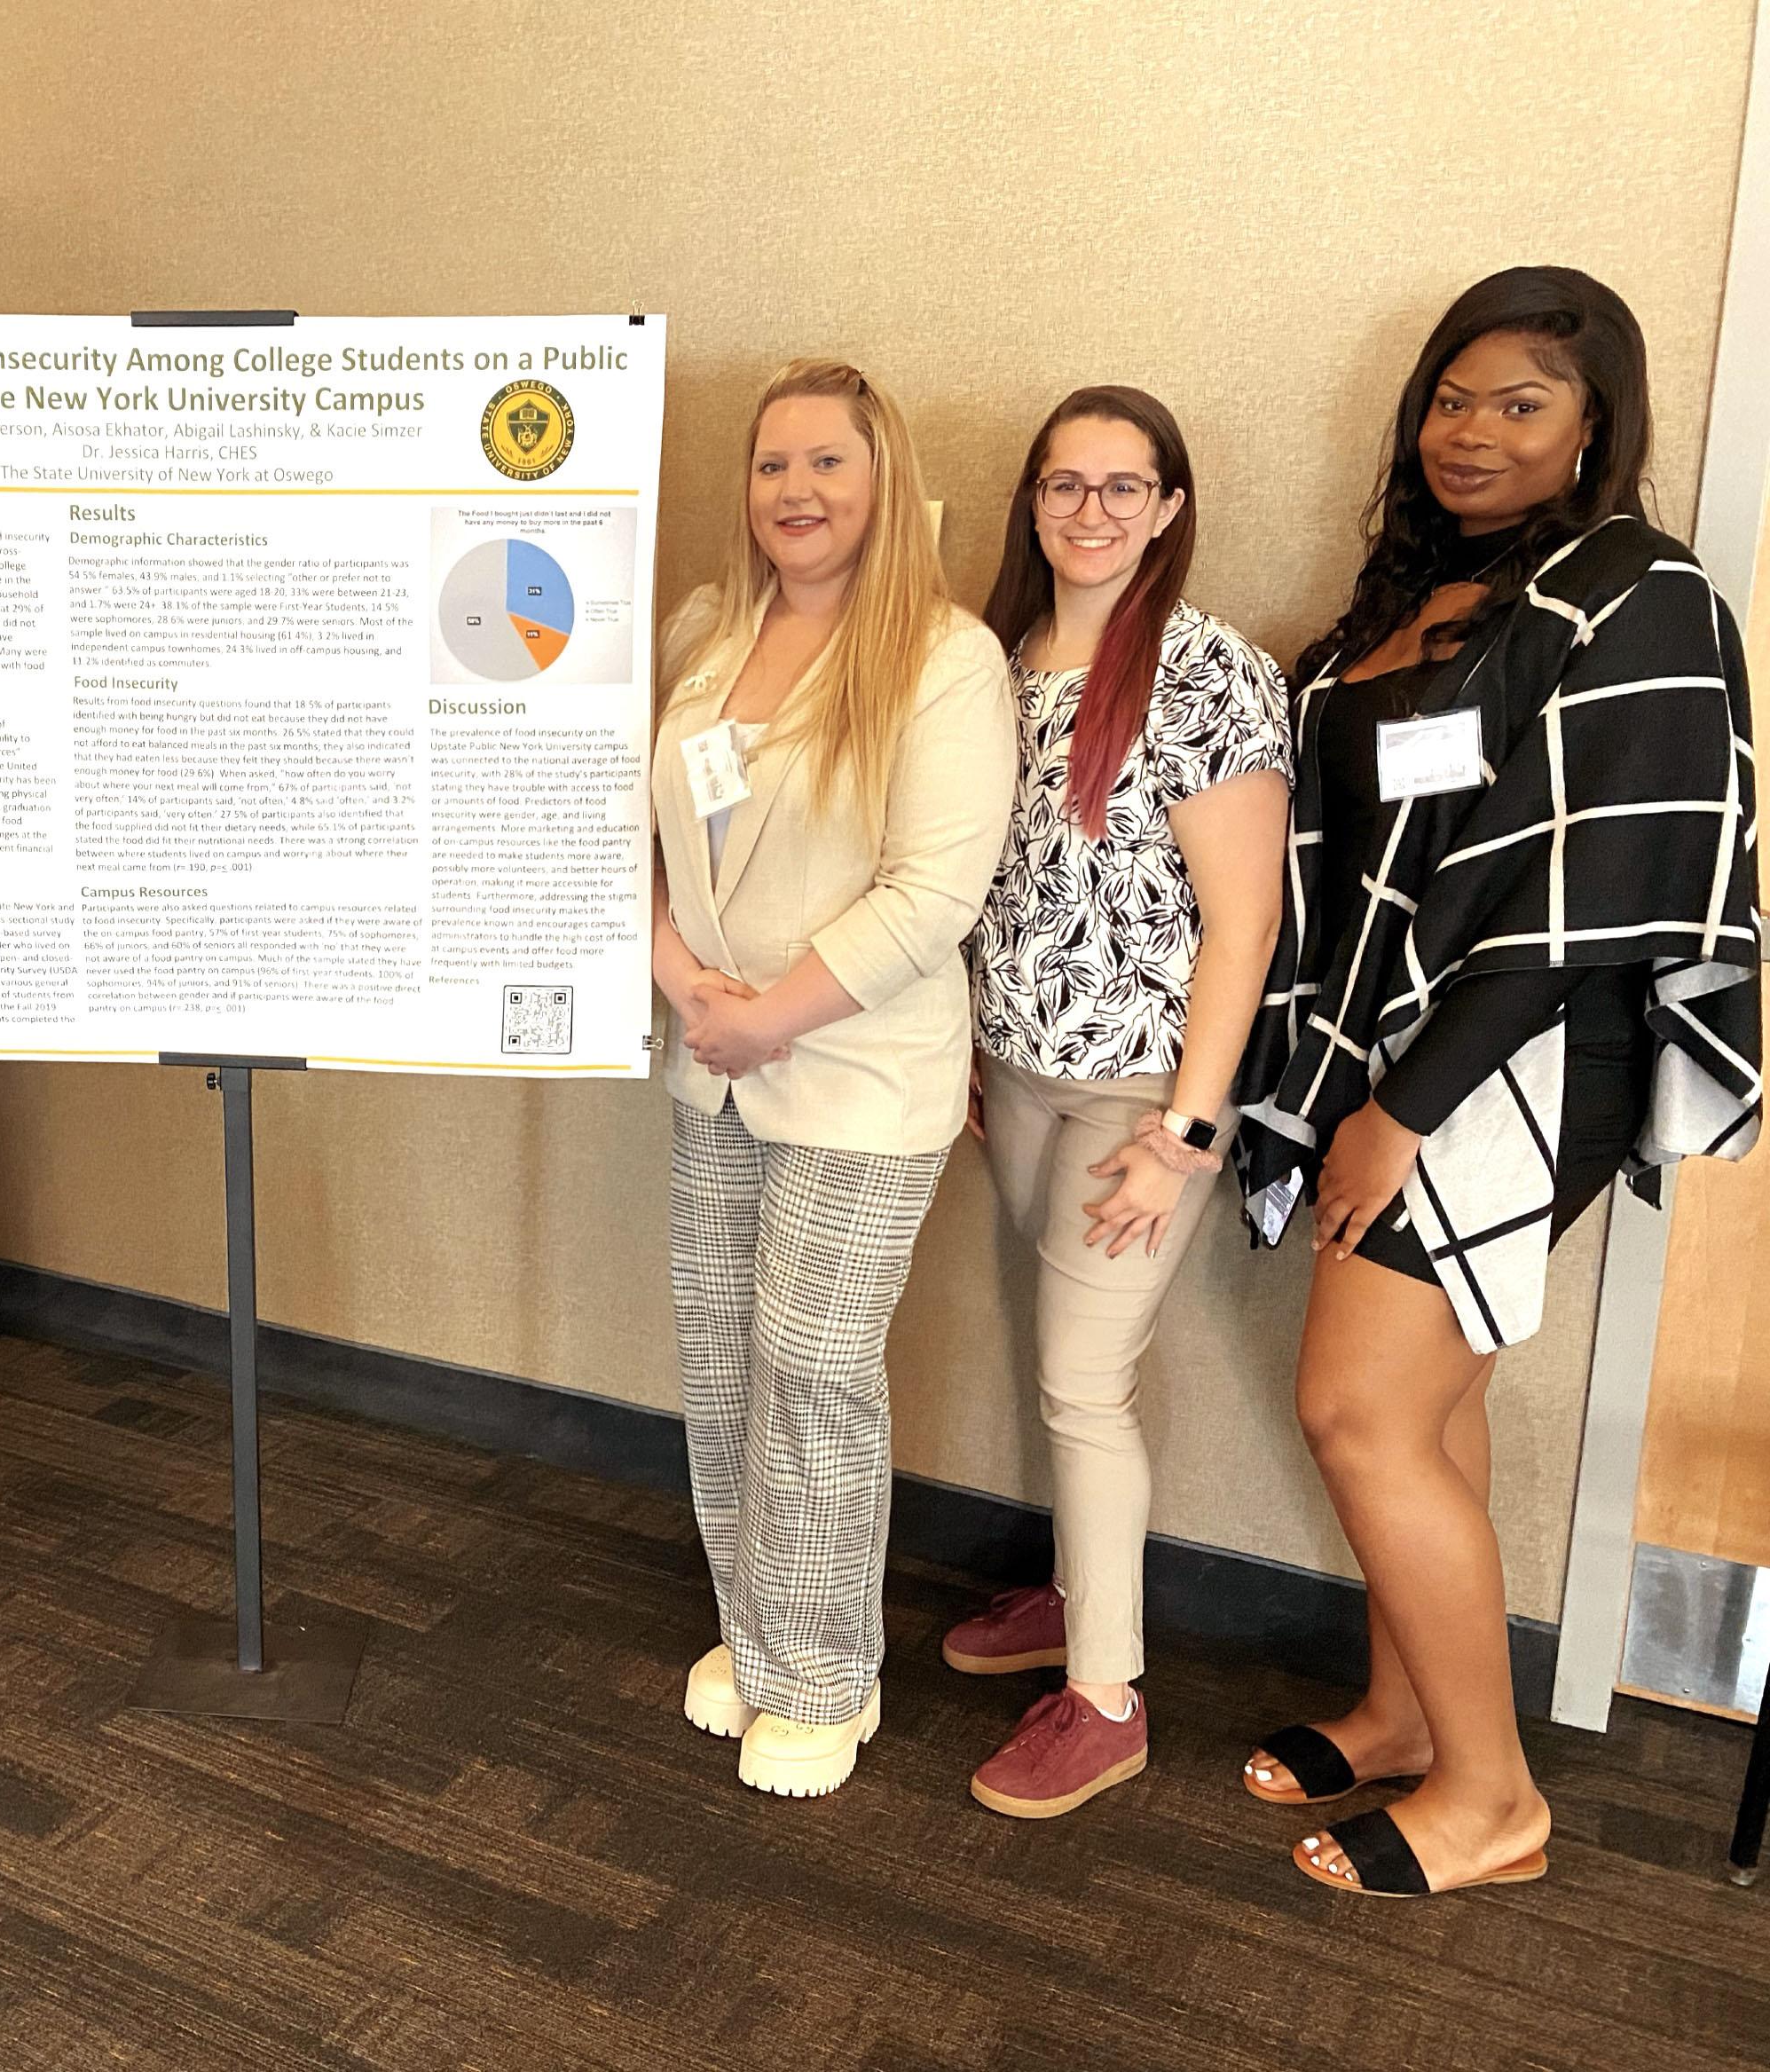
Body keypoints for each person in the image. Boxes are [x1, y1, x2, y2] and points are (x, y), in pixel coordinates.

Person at [1233, 268, 1758, 1895]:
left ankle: (1496, 1796)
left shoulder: (1636, 593)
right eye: (1449, 401)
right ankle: (1404, 1716)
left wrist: (1403, 1111)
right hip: (1389, 1046)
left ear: (1596, 422)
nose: (1471, 432)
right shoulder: (1436, 588)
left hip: (1518, 1055)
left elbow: (1589, 893)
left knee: (1358, 1410)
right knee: (1432, 1408)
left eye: (1518, 402)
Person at [651, 358, 1015, 1798]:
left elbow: (935, 893)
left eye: (826, 465)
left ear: (882, 482)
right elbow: (638, 844)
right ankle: (755, 1627)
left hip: (861, 1075)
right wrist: (686, 989)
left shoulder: (943, 657)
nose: (794, 492)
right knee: (722, 1355)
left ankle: (821, 1675)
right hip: (710, 1065)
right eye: (770, 465)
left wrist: (771, 1014)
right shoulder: (703, 633)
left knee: (811, 1365)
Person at [947, 388, 1290, 1817]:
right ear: (1032, 502)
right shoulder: (993, 656)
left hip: (1139, 1095)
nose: (1090, 511)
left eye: (1121, 487)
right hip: (1013, 1073)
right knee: (1061, 1352)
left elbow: (1245, 925)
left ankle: (1104, 1696)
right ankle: (1082, 1588)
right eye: (1062, 484)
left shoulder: (1209, 675)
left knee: (1083, 1386)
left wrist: (1184, 1137)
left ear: (1167, 506)